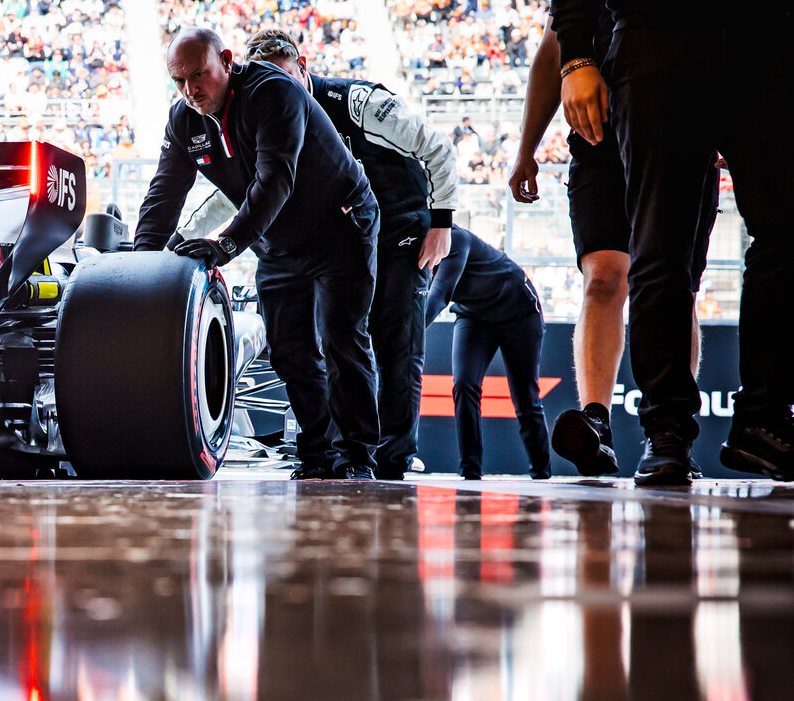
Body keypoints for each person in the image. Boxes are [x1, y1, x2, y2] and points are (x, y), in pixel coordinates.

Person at [547, 0, 792, 484]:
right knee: (660, 251)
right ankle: (667, 433)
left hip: (767, 41)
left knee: (785, 232)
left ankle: (763, 418)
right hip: (655, 40)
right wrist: (577, 56)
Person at [133, 27, 381, 480]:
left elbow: (275, 182)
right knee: (289, 350)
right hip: (277, 241)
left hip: (340, 225)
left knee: (341, 340)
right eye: (179, 81)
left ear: (227, 61)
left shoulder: (273, 91)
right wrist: (138, 263)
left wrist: (226, 244)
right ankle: (318, 455)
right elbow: (165, 192)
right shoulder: (184, 120)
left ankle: (358, 458)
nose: (191, 90)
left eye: (199, 75)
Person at [509, 11, 717, 479]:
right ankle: (595, 425)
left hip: (682, 136)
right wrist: (527, 149)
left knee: (673, 288)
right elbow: (551, 54)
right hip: (599, 140)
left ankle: (670, 432)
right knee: (603, 279)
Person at [248, 29, 459, 480]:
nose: (279, 91)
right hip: (341, 243)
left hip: (400, 234)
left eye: (285, 77)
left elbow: (439, 148)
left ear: (303, 66)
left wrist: (442, 225)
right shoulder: (267, 117)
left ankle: (394, 459)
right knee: (333, 342)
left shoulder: (358, 102)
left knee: (396, 344)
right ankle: (340, 454)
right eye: (268, 82)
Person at [425, 227, 550, 480]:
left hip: (519, 310)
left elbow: (440, 295)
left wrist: (409, 337)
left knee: (526, 398)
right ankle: (470, 473)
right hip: (474, 315)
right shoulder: (412, 249)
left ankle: (541, 473)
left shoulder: (455, 239)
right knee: (464, 385)